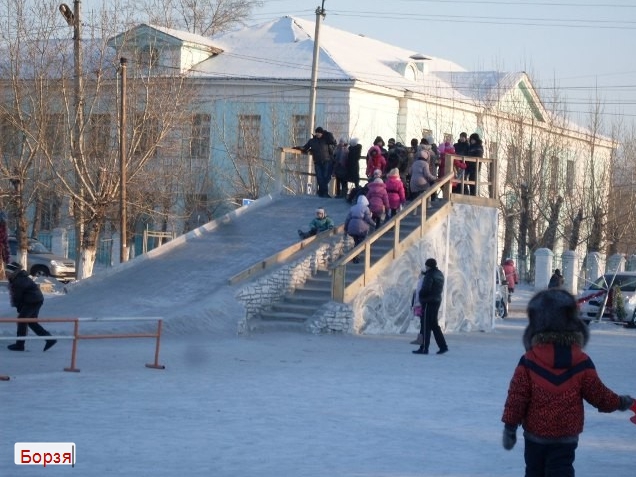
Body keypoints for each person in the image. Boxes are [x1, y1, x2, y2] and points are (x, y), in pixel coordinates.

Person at [501, 288, 635, 477]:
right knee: (561, 470)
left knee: (534, 471)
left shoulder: (529, 361)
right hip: (566, 436)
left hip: (535, 435)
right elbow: (599, 395)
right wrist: (621, 402)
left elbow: (517, 398)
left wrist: (510, 427)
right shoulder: (581, 361)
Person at [5, 261, 56, 352]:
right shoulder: (18, 278)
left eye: (7, 272)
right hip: (35, 300)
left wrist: (19, 308)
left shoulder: (19, 280)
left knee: (22, 321)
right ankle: (49, 339)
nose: (6, 274)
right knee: (31, 322)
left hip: (32, 301)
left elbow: (18, 297)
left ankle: (20, 345)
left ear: (13, 272)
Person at [412, 258, 448, 355]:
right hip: (436, 301)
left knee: (425, 325)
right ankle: (443, 346)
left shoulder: (429, 275)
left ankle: (424, 348)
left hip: (428, 301)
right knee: (434, 325)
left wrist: (421, 296)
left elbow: (426, 288)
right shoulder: (439, 273)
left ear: (428, 266)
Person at [298, 126, 337, 198]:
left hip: (327, 161)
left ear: (322, 133)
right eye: (317, 132)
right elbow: (305, 147)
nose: (318, 134)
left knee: (326, 177)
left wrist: (327, 133)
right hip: (317, 161)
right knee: (319, 177)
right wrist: (298, 148)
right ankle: (323, 193)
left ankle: (322, 192)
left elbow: (334, 142)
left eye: (320, 133)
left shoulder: (326, 139)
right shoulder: (312, 141)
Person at [344, 195, 375, 264]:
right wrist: (373, 224)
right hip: (361, 228)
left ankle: (355, 256)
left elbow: (347, 219)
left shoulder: (353, 208)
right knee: (360, 243)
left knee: (356, 241)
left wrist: (345, 229)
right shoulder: (366, 208)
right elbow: (368, 219)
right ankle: (355, 257)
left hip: (352, 227)